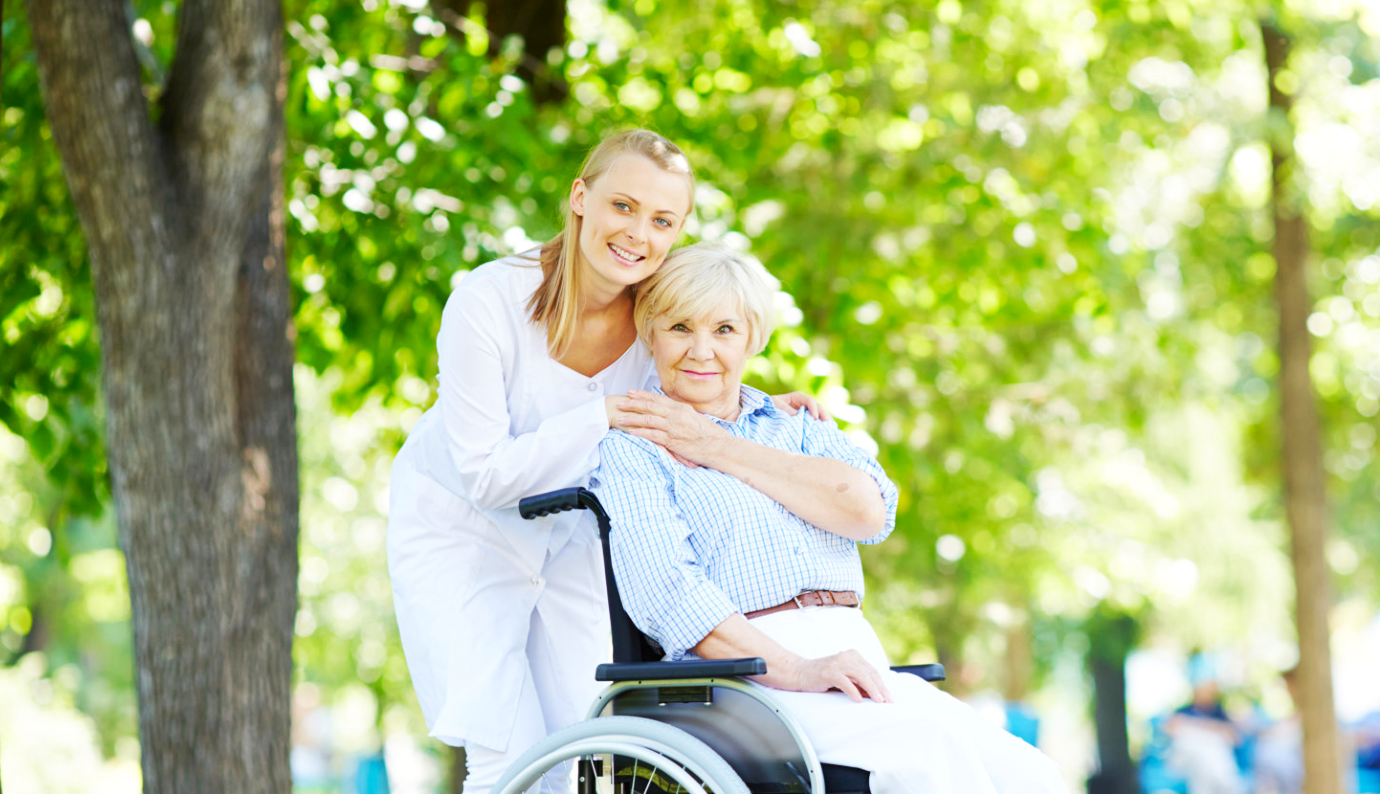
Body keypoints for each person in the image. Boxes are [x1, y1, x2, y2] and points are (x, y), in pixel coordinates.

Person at [384, 131, 823, 794]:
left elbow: (695, 392)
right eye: (624, 206)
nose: (638, 234)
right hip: (463, 533)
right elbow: (486, 475)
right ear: (581, 198)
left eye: (662, 220)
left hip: (572, 537)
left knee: (579, 749)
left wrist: (759, 405)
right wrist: (602, 415)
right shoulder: (488, 302)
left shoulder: (657, 320)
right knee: (506, 753)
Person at [592, 243, 1066, 794]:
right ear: (650, 332)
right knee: (931, 754)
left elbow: (868, 511)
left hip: (856, 656)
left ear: (751, 339)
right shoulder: (634, 448)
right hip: (741, 682)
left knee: (1032, 775)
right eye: (680, 327)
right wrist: (798, 670)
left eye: (724, 329)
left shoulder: (797, 425)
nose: (702, 351)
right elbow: (670, 595)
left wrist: (715, 446)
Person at [1163, 661, 1246, 794]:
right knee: (1204, 753)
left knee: (1207, 759)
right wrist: (1213, 728)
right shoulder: (1183, 711)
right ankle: (1228, 785)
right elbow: (1171, 728)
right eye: (1206, 686)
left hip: (1208, 766)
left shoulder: (1219, 713)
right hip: (1185, 761)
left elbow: (1235, 737)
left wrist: (1195, 725)